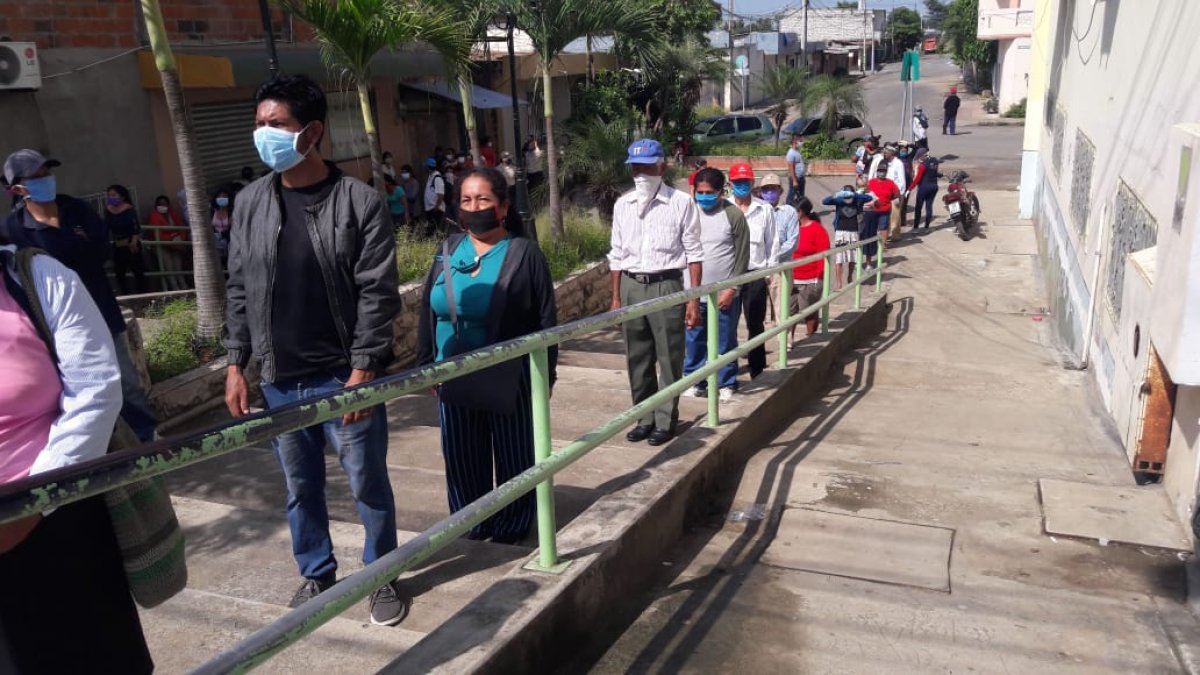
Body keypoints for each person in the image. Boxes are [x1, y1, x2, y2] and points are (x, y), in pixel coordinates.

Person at [223, 74, 407, 626]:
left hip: (341, 377)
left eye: (276, 124)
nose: (264, 134)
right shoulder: (250, 202)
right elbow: (239, 287)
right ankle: (317, 571)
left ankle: (381, 574)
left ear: (313, 131)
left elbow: (378, 292)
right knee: (300, 488)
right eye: (259, 124)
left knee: (367, 483)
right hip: (280, 380)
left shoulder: (358, 202)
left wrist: (363, 368)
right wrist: (235, 363)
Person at [0, 242, 153, 674]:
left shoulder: (38, 278)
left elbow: (95, 391)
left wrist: (33, 505)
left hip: (59, 513)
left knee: (97, 657)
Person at [416, 167, 557, 543]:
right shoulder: (447, 250)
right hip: (452, 374)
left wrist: (547, 376)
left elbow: (547, 320)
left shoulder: (525, 254)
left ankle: (511, 527)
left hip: (511, 377)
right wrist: (426, 365)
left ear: (503, 206)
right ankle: (471, 525)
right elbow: (427, 309)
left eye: (483, 199)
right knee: (461, 457)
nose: (473, 207)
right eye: (466, 200)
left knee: (515, 455)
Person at [2, 149, 158, 442]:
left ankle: (147, 438)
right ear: (18, 189)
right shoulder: (14, 228)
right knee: (81, 393)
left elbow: (102, 251)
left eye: (47, 173)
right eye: (36, 177)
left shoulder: (76, 209)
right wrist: (78, 248)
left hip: (102, 309)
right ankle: (110, 448)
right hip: (57, 327)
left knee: (127, 382)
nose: (45, 180)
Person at [608, 139, 703, 447]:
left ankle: (664, 420)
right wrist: (616, 298)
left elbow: (694, 253)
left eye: (647, 167)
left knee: (669, 355)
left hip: (667, 284)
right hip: (631, 284)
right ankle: (643, 417)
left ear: (662, 167)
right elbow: (616, 254)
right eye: (636, 168)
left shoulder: (681, 202)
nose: (641, 174)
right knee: (637, 357)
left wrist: (693, 300)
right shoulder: (623, 205)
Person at [683, 167, 749, 401]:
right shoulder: (689, 213)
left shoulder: (733, 215)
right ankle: (695, 380)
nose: (704, 196)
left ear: (721, 191)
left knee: (725, 340)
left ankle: (726, 382)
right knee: (694, 339)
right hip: (694, 293)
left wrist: (732, 288)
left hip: (724, 294)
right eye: (700, 192)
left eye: (709, 192)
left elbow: (742, 255)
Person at [729, 162, 777, 380]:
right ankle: (727, 373)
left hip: (755, 275)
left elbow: (772, 243)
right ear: (730, 183)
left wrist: (769, 273)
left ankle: (757, 370)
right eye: (737, 181)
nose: (742, 185)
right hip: (729, 277)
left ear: (752, 182)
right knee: (727, 326)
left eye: (745, 181)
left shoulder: (764, 209)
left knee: (755, 324)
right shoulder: (724, 208)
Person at [790, 197, 831, 344]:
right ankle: (788, 341)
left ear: (800, 212)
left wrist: (819, 278)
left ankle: (810, 339)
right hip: (791, 277)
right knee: (789, 311)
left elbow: (824, 254)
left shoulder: (817, 229)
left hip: (811, 279)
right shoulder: (791, 228)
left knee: (809, 312)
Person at [760, 173, 798, 327]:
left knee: (781, 310)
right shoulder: (757, 210)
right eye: (766, 189)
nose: (769, 192)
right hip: (758, 267)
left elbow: (792, 241)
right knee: (757, 313)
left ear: (780, 191)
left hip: (780, 267)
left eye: (773, 189)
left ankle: (784, 340)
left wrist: (773, 258)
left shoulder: (789, 212)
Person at [822, 185, 875, 289]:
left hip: (853, 231)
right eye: (846, 196)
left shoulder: (858, 200)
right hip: (840, 232)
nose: (848, 199)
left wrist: (855, 195)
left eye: (849, 196)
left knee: (852, 257)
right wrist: (837, 195)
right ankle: (839, 283)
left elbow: (869, 198)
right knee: (839, 258)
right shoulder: (839, 200)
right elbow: (825, 201)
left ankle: (850, 276)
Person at [104, 184, 147, 294]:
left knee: (138, 271)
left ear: (122, 196)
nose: (111, 198)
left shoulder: (129, 209)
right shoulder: (108, 210)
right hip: (117, 244)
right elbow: (105, 227)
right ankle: (125, 294)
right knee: (119, 272)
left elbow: (135, 226)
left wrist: (134, 241)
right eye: (109, 195)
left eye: (114, 195)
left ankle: (143, 294)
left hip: (131, 243)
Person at [148, 193, 189, 290]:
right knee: (168, 268)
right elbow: (158, 233)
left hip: (176, 244)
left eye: (164, 203)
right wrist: (172, 239)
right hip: (162, 245)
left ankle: (184, 288)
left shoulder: (173, 214)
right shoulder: (154, 216)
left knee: (178, 267)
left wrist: (180, 240)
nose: (162, 206)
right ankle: (175, 289)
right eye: (160, 204)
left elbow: (181, 228)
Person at [866, 163, 901, 260]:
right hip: (872, 210)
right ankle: (871, 244)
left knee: (883, 227)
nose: (881, 173)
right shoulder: (871, 182)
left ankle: (883, 245)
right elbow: (865, 193)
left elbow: (897, 193)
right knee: (872, 228)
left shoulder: (890, 183)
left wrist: (893, 199)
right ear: (877, 172)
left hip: (885, 210)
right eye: (880, 171)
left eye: (884, 171)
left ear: (886, 172)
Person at [908, 147, 941, 231]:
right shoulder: (935, 161)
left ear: (922, 156)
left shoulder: (922, 166)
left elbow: (917, 179)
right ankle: (927, 227)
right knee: (929, 207)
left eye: (919, 156)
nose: (919, 159)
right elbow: (934, 172)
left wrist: (909, 189)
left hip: (924, 188)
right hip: (934, 186)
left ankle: (916, 228)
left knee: (918, 208)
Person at [211, 187, 233, 268]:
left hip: (228, 239)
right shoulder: (212, 212)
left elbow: (233, 227)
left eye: (224, 196)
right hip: (215, 240)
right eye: (220, 196)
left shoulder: (232, 212)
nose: (222, 198)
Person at [423, 157, 446, 234]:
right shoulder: (431, 176)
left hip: (435, 209)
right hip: (430, 209)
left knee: (435, 231)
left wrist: (436, 208)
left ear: (428, 167)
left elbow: (441, 195)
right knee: (431, 230)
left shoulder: (437, 178)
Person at [785, 135, 806, 204]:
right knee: (791, 195)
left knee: (800, 197)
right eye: (800, 141)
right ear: (795, 141)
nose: (801, 143)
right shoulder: (791, 153)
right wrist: (794, 181)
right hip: (796, 178)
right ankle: (787, 208)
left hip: (801, 177)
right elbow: (791, 168)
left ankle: (799, 209)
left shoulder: (797, 151)